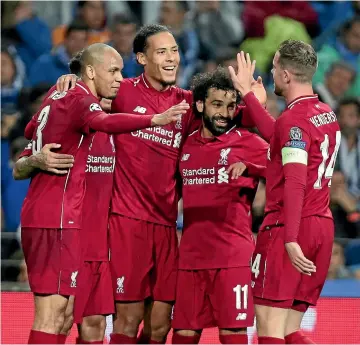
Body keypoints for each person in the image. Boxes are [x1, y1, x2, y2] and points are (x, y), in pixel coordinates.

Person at [56, 24, 269, 344]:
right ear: (141, 58)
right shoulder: (124, 91)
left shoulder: (187, 104)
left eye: (174, 50)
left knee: (159, 325)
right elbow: (88, 96)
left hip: (168, 227)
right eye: (161, 51)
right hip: (127, 224)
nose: (171, 58)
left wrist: (251, 94)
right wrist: (73, 80)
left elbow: (241, 118)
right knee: (127, 319)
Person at [13, 42, 189, 345]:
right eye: (113, 71)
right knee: (52, 315)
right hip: (61, 222)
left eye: (121, 72)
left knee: (70, 317)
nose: (120, 79)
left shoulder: (67, 102)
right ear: (91, 73)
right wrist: (153, 119)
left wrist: (61, 93)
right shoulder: (80, 106)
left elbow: (32, 129)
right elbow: (22, 162)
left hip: (94, 235)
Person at [229, 42, 340, 344]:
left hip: (289, 228)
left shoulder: (294, 121)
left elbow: (295, 181)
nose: (272, 73)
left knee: (269, 329)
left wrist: (290, 239)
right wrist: (249, 97)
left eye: (275, 67)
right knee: (291, 331)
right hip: (321, 227)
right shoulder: (324, 113)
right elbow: (281, 138)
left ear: (287, 75)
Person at [172, 67, 268, 344]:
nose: (224, 114)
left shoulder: (250, 143)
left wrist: (253, 168)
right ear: (200, 104)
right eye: (216, 105)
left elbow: (290, 171)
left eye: (230, 106)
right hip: (190, 258)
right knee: (183, 334)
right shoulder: (185, 145)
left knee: (233, 333)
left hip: (232, 259)